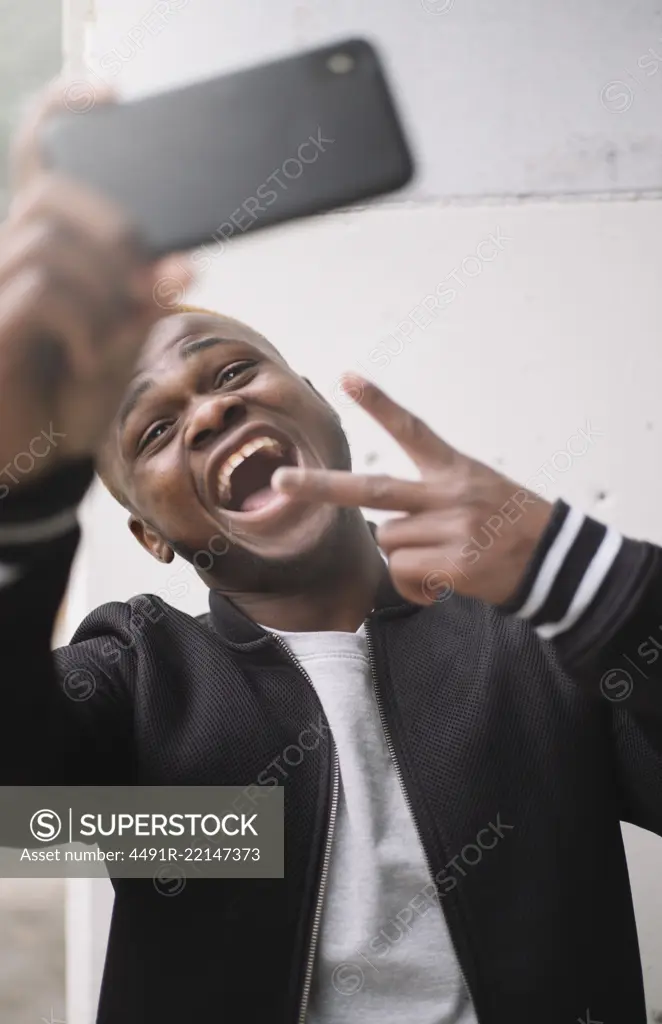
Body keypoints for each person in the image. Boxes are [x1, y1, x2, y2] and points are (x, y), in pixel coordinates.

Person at [1, 82, 661, 1024]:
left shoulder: (530, 646)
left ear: (313, 401)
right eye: (151, 432)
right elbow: (17, 806)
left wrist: (582, 576)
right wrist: (22, 497)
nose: (214, 409)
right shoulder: (144, 691)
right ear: (149, 533)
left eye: (234, 374)